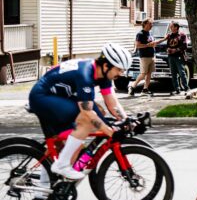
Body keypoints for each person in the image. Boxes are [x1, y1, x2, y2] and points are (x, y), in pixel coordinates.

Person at [29, 44, 133, 180]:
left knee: (71, 140)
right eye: (119, 69)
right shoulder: (85, 74)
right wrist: (110, 132)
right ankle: (62, 165)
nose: (121, 74)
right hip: (42, 98)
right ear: (106, 65)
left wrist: (126, 120)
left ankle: (45, 185)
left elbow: (112, 103)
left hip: (59, 98)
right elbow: (87, 113)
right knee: (87, 121)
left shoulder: (103, 75)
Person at [129, 18, 164, 97]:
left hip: (152, 56)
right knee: (143, 74)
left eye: (152, 24)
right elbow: (137, 45)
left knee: (149, 74)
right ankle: (132, 87)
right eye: (150, 24)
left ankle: (145, 89)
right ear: (145, 24)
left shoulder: (150, 33)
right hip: (144, 57)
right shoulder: (140, 34)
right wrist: (147, 45)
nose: (151, 25)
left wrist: (164, 39)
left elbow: (153, 43)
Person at [165, 21, 189, 96]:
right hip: (171, 56)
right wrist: (168, 49)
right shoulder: (169, 36)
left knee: (181, 72)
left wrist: (176, 50)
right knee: (173, 73)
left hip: (179, 56)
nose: (170, 28)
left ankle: (186, 88)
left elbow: (185, 46)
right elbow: (167, 45)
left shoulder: (182, 35)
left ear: (176, 27)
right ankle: (177, 89)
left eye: (171, 26)